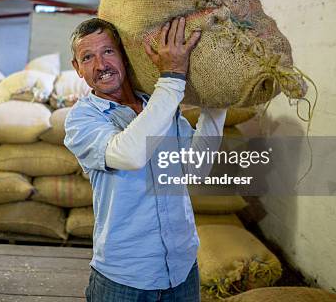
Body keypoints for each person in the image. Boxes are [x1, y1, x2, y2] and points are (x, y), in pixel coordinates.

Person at [64, 16, 227, 301]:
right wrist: (173, 78)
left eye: (108, 51)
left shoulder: (158, 105)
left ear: (124, 55)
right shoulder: (82, 119)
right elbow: (130, 153)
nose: (101, 65)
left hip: (183, 269)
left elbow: (194, 171)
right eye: (88, 57)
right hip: (125, 279)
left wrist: (217, 105)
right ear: (77, 68)